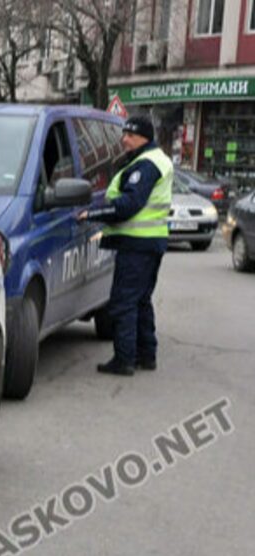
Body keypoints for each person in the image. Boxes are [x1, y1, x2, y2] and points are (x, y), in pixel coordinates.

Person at [77, 115, 173, 376]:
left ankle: (124, 359)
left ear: (144, 138)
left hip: (137, 245)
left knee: (124, 302)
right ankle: (146, 355)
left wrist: (92, 214)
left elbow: (129, 205)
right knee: (141, 301)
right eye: (124, 134)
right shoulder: (153, 159)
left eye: (130, 135)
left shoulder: (146, 165)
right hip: (149, 242)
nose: (124, 139)